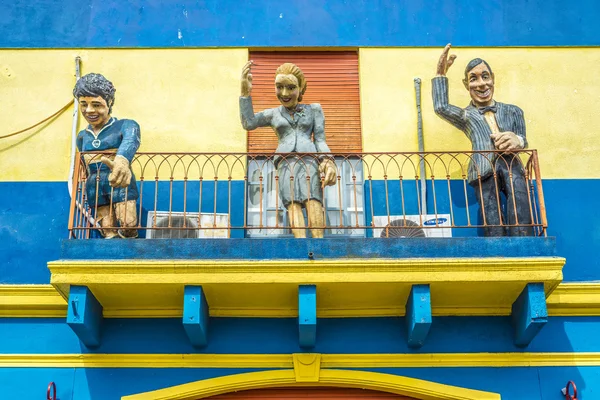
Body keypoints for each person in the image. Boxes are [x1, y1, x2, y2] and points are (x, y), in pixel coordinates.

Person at [432, 44, 533, 236]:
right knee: (490, 211)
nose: (481, 84)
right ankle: (495, 245)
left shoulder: (513, 111)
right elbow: (441, 107)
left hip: (511, 163)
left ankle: (523, 239)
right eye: (473, 79)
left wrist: (517, 140)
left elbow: (523, 139)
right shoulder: (466, 115)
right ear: (465, 85)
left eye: (485, 77)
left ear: (493, 78)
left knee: (519, 197)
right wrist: (440, 74)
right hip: (483, 166)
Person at [239, 61, 337, 238]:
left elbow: (320, 140)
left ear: (301, 88)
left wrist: (328, 161)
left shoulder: (314, 110)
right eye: (279, 87)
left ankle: (318, 244)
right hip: (284, 162)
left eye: (291, 87)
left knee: (313, 199)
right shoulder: (273, 113)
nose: (284, 93)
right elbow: (248, 122)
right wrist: (245, 94)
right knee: (292, 202)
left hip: (309, 160)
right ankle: (300, 244)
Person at [73, 73, 141, 238]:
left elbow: (131, 140)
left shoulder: (125, 125)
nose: (89, 110)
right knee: (107, 229)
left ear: (109, 103)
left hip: (119, 179)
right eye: (83, 104)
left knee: (128, 224)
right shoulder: (82, 136)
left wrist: (121, 161)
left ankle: (130, 253)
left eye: (96, 105)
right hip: (94, 184)